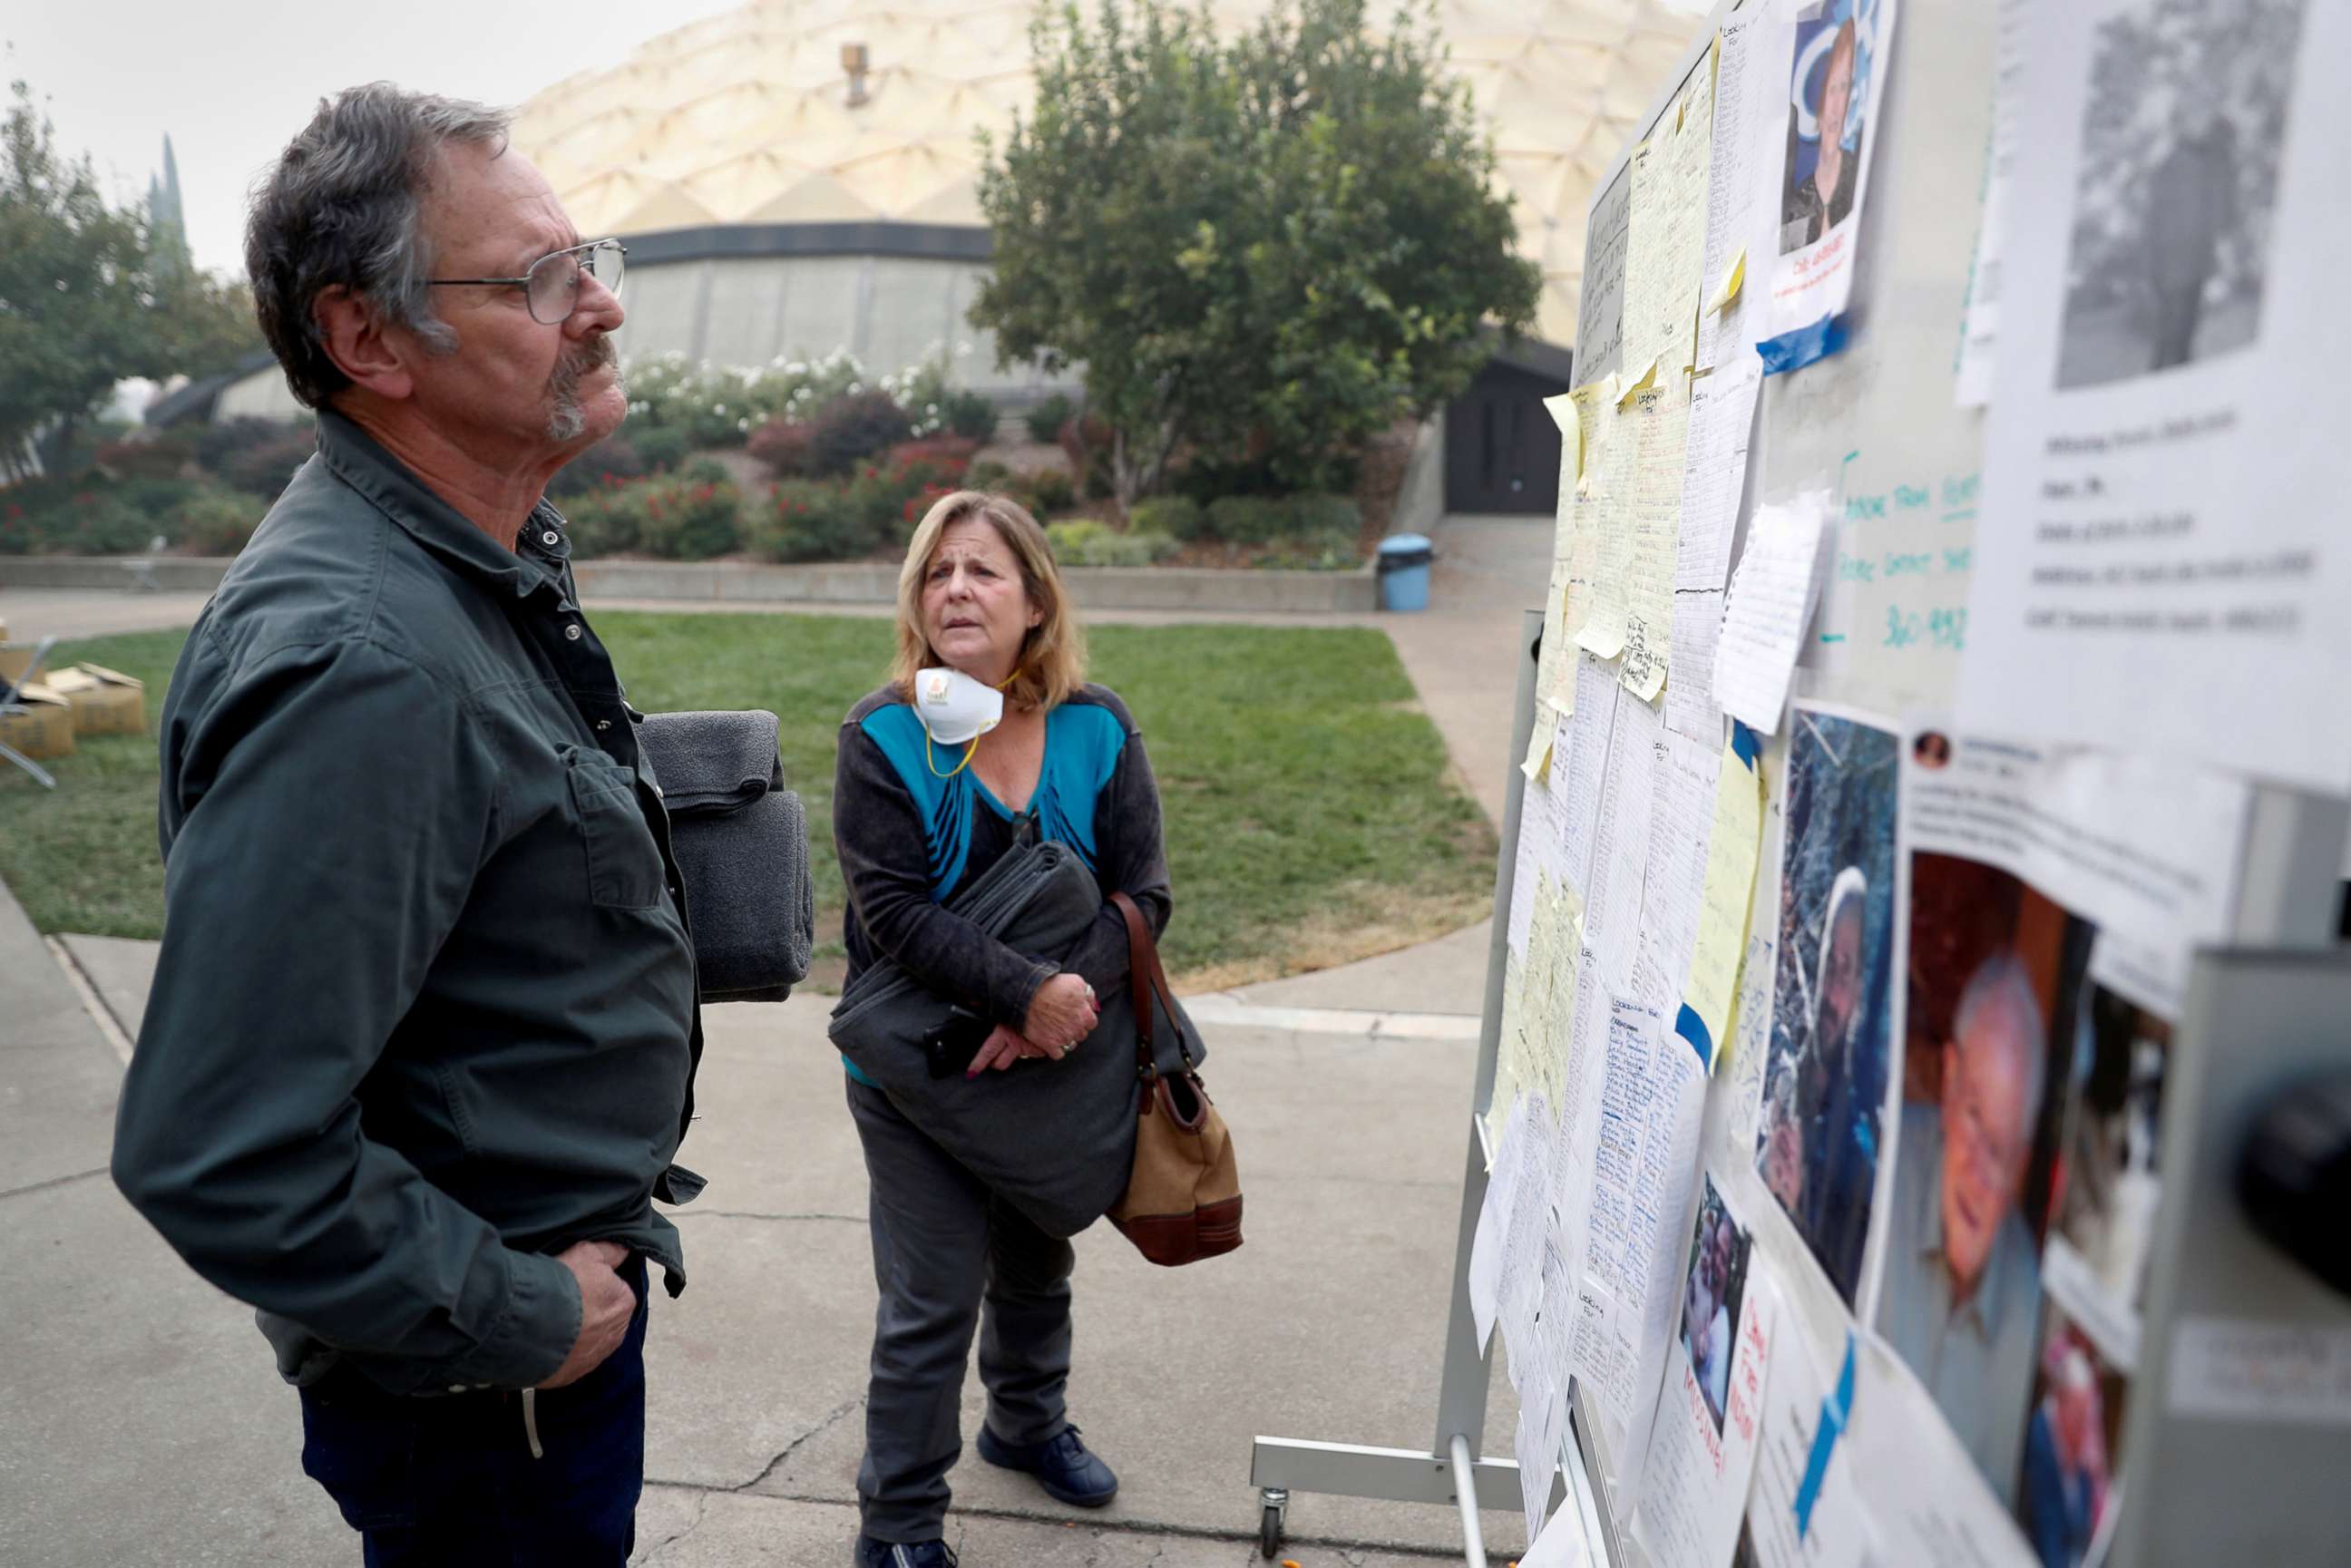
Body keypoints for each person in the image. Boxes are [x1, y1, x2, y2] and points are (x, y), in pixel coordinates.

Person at [110, 86, 699, 1564]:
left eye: (591, 258)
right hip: (483, 1396)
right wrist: (530, 1313)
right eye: (540, 278)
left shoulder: (458, 565)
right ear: (368, 341)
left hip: (510, 1357)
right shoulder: (363, 658)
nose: (601, 304)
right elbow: (220, 1148)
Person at [832, 491, 1173, 1568]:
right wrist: (1024, 994)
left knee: (1037, 1262)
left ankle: (1025, 1426)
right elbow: (893, 914)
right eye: (936, 574)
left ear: (1035, 599)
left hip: (1056, 1063)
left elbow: (1144, 896)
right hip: (916, 1078)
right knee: (931, 1301)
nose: (956, 590)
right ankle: (897, 1528)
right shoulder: (884, 730)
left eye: (981, 570)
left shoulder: (1097, 725)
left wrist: (1054, 1009)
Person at [1879, 950, 2049, 1502]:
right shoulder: (1880, 1172)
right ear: (1950, 1083)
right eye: (1975, 1115)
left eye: (2000, 1150)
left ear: (2021, 1166)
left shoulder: (2026, 1298)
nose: (1979, 1171)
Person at [1771, 866, 1882, 1302]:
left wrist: (1795, 1208)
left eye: (1846, 969)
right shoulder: (1783, 1067)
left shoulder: (1857, 1152)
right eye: (1829, 960)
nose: (1830, 985)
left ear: (1858, 990)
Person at [2144, 102, 2239, 372]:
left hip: (2186, 264)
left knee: (2178, 336)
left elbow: (2217, 216)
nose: (2200, 127)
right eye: (2192, 120)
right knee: (2174, 337)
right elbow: (2157, 219)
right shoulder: (2177, 163)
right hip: (2176, 266)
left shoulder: (2196, 161)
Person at [2022, 1339, 2109, 1568]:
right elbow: (2046, 1525)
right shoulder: (2040, 1439)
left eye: (2086, 1417)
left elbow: (2083, 1530)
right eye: (2079, 1415)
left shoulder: (2080, 1463)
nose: (2083, 1427)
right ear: (2061, 1399)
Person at [1782, 18, 1862, 249]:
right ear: (1820, 103)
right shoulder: (1797, 203)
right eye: (1832, 89)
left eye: (1845, 88)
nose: (1837, 105)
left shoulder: (1857, 176)